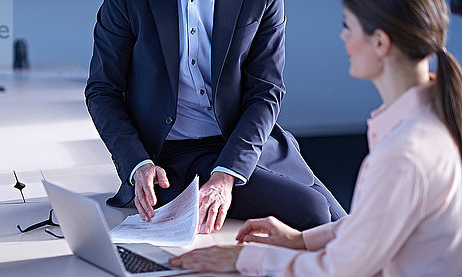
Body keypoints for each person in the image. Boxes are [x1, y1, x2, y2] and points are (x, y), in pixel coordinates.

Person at [170, 0, 462, 277]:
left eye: (348, 27)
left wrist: (242, 259)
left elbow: (336, 272)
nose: (342, 36)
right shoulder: (429, 121)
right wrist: (302, 240)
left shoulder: (405, 154)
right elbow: (379, 224)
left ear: (381, 43)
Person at [85, 0, 346, 234]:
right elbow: (102, 91)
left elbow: (267, 92)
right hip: (173, 156)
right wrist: (138, 163)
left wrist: (226, 175)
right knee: (313, 210)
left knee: (346, 225)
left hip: (244, 140)